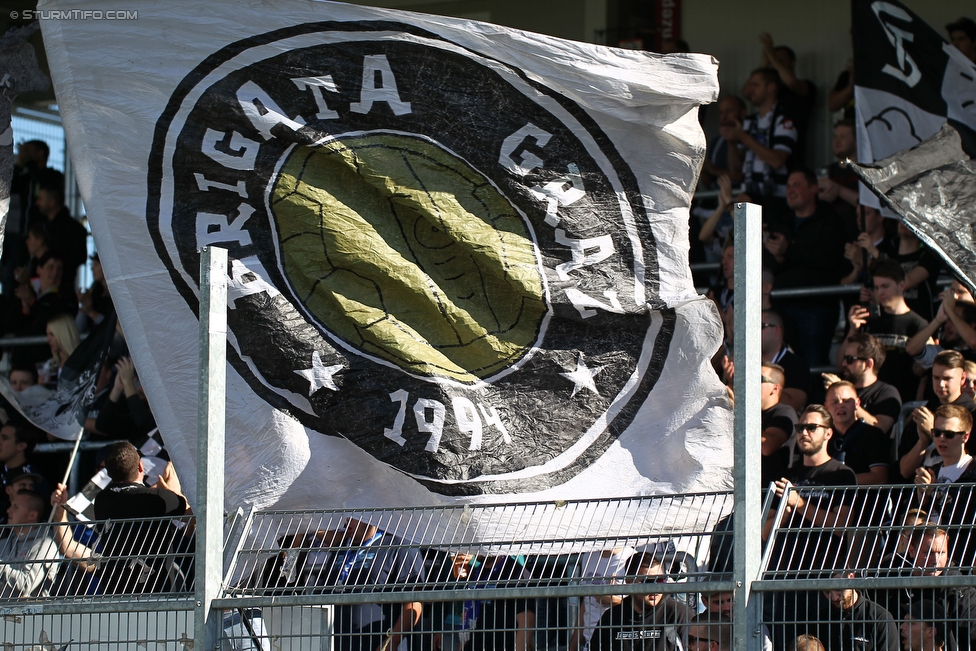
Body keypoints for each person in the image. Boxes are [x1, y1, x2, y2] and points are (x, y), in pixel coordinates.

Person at [769, 169, 853, 367]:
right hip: (782, 306)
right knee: (782, 366)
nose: (791, 190)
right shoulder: (783, 221)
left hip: (816, 308)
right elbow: (769, 260)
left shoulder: (831, 220)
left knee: (813, 365)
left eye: (797, 185)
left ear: (814, 188)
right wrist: (779, 257)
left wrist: (788, 251)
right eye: (788, 186)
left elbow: (828, 259)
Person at [763, 405, 856, 575]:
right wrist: (784, 513)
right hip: (786, 571)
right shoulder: (786, 476)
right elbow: (764, 532)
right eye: (800, 428)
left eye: (811, 427)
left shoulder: (842, 474)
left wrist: (799, 503)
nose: (804, 433)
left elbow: (841, 525)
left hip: (826, 574)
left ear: (828, 433)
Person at [93, 441, 192, 594]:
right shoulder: (159, 499)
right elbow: (190, 515)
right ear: (140, 466)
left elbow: (133, 497)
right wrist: (174, 492)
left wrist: (163, 492)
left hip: (114, 590)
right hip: (154, 589)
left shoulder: (101, 500)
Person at [875, 526, 976, 650]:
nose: (935, 560)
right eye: (928, 553)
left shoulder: (960, 590)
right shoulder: (890, 580)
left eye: (941, 553)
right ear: (912, 551)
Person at [840, 259, 928, 403]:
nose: (880, 292)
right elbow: (841, 362)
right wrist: (853, 329)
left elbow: (923, 373)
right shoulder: (867, 320)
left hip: (905, 399)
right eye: (876, 287)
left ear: (902, 285)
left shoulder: (918, 324)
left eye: (885, 286)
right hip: (867, 401)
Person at [912, 405, 976, 568]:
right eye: (937, 433)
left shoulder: (972, 471)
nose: (941, 438)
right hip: (928, 558)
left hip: (961, 556)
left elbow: (963, 516)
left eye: (949, 434)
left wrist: (934, 493)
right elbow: (915, 518)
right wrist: (923, 498)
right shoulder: (931, 471)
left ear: (965, 437)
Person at [898, 351, 976, 481]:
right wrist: (923, 442)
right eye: (936, 378)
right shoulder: (925, 412)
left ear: (962, 379)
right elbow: (904, 471)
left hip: (960, 492)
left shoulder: (972, 414)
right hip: (922, 495)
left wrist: (934, 432)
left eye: (947, 379)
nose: (940, 384)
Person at [725, 67, 796, 210]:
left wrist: (744, 138)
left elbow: (777, 161)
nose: (750, 90)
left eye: (755, 85)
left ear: (771, 88)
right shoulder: (748, 122)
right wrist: (731, 141)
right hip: (749, 195)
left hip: (776, 199)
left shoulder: (784, 121)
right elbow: (736, 167)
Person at [589, 552, 691, 651]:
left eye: (660, 580)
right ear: (629, 582)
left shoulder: (679, 614)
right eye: (648, 582)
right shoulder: (611, 618)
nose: (655, 588)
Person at [824, 332, 901, 435]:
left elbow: (880, 428)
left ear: (868, 364)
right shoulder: (834, 387)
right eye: (844, 358)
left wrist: (848, 400)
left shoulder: (886, 393)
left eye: (850, 359)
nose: (844, 364)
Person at [568, 547, 636, 651]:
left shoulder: (632, 558)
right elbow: (586, 603)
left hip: (620, 642)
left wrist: (616, 601)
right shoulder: (589, 555)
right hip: (590, 643)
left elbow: (644, 605)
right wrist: (573, 647)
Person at [811, 571, 899, 651]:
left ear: (851, 577)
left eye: (838, 589)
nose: (834, 597)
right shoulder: (820, 620)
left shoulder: (880, 618)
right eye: (827, 592)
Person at [824, 381, 889, 485]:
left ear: (857, 404)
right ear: (826, 407)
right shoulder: (823, 437)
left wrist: (839, 480)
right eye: (834, 402)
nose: (840, 406)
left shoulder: (873, 434)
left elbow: (880, 477)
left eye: (846, 401)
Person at [0, 489, 58, 598]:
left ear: (32, 515)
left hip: (32, 613)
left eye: (16, 507)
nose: (8, 510)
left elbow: (26, 585)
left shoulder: (44, 544)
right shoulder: (3, 544)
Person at [761, 310, 809, 411]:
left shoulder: (796, 365)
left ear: (777, 330)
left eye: (761, 326)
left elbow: (792, 403)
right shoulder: (743, 362)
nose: (754, 331)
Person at [760, 364, 797, 485]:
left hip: (770, 494)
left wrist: (738, 415)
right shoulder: (750, 413)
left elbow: (766, 447)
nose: (751, 382)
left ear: (775, 389)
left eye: (759, 379)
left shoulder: (784, 412)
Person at [818, 120, 860, 225]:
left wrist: (839, 190)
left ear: (856, 140)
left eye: (843, 136)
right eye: (835, 137)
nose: (837, 141)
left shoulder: (867, 172)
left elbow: (871, 204)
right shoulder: (826, 172)